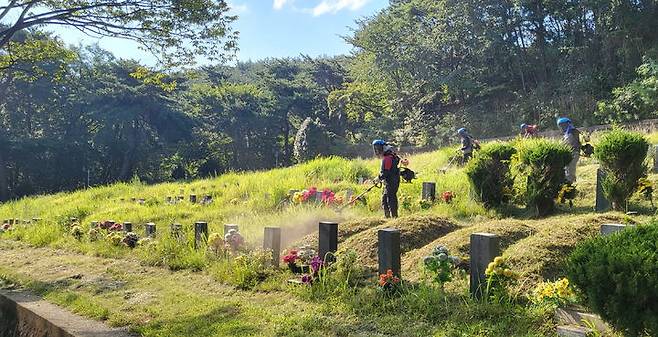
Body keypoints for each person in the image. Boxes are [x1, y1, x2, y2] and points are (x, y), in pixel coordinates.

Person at [372, 140, 400, 218]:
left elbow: (386, 172)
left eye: (378, 148)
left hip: (392, 181)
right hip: (389, 181)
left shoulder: (388, 158)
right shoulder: (388, 156)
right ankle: (387, 217)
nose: (376, 150)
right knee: (384, 199)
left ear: (383, 148)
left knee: (390, 199)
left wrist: (378, 178)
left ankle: (394, 217)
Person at [558, 117, 580, 183]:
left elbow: (567, 143)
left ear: (565, 124)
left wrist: (559, 145)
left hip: (574, 153)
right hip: (571, 154)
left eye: (561, 125)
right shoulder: (568, 132)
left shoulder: (572, 132)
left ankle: (571, 188)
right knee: (567, 170)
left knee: (570, 172)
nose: (561, 128)